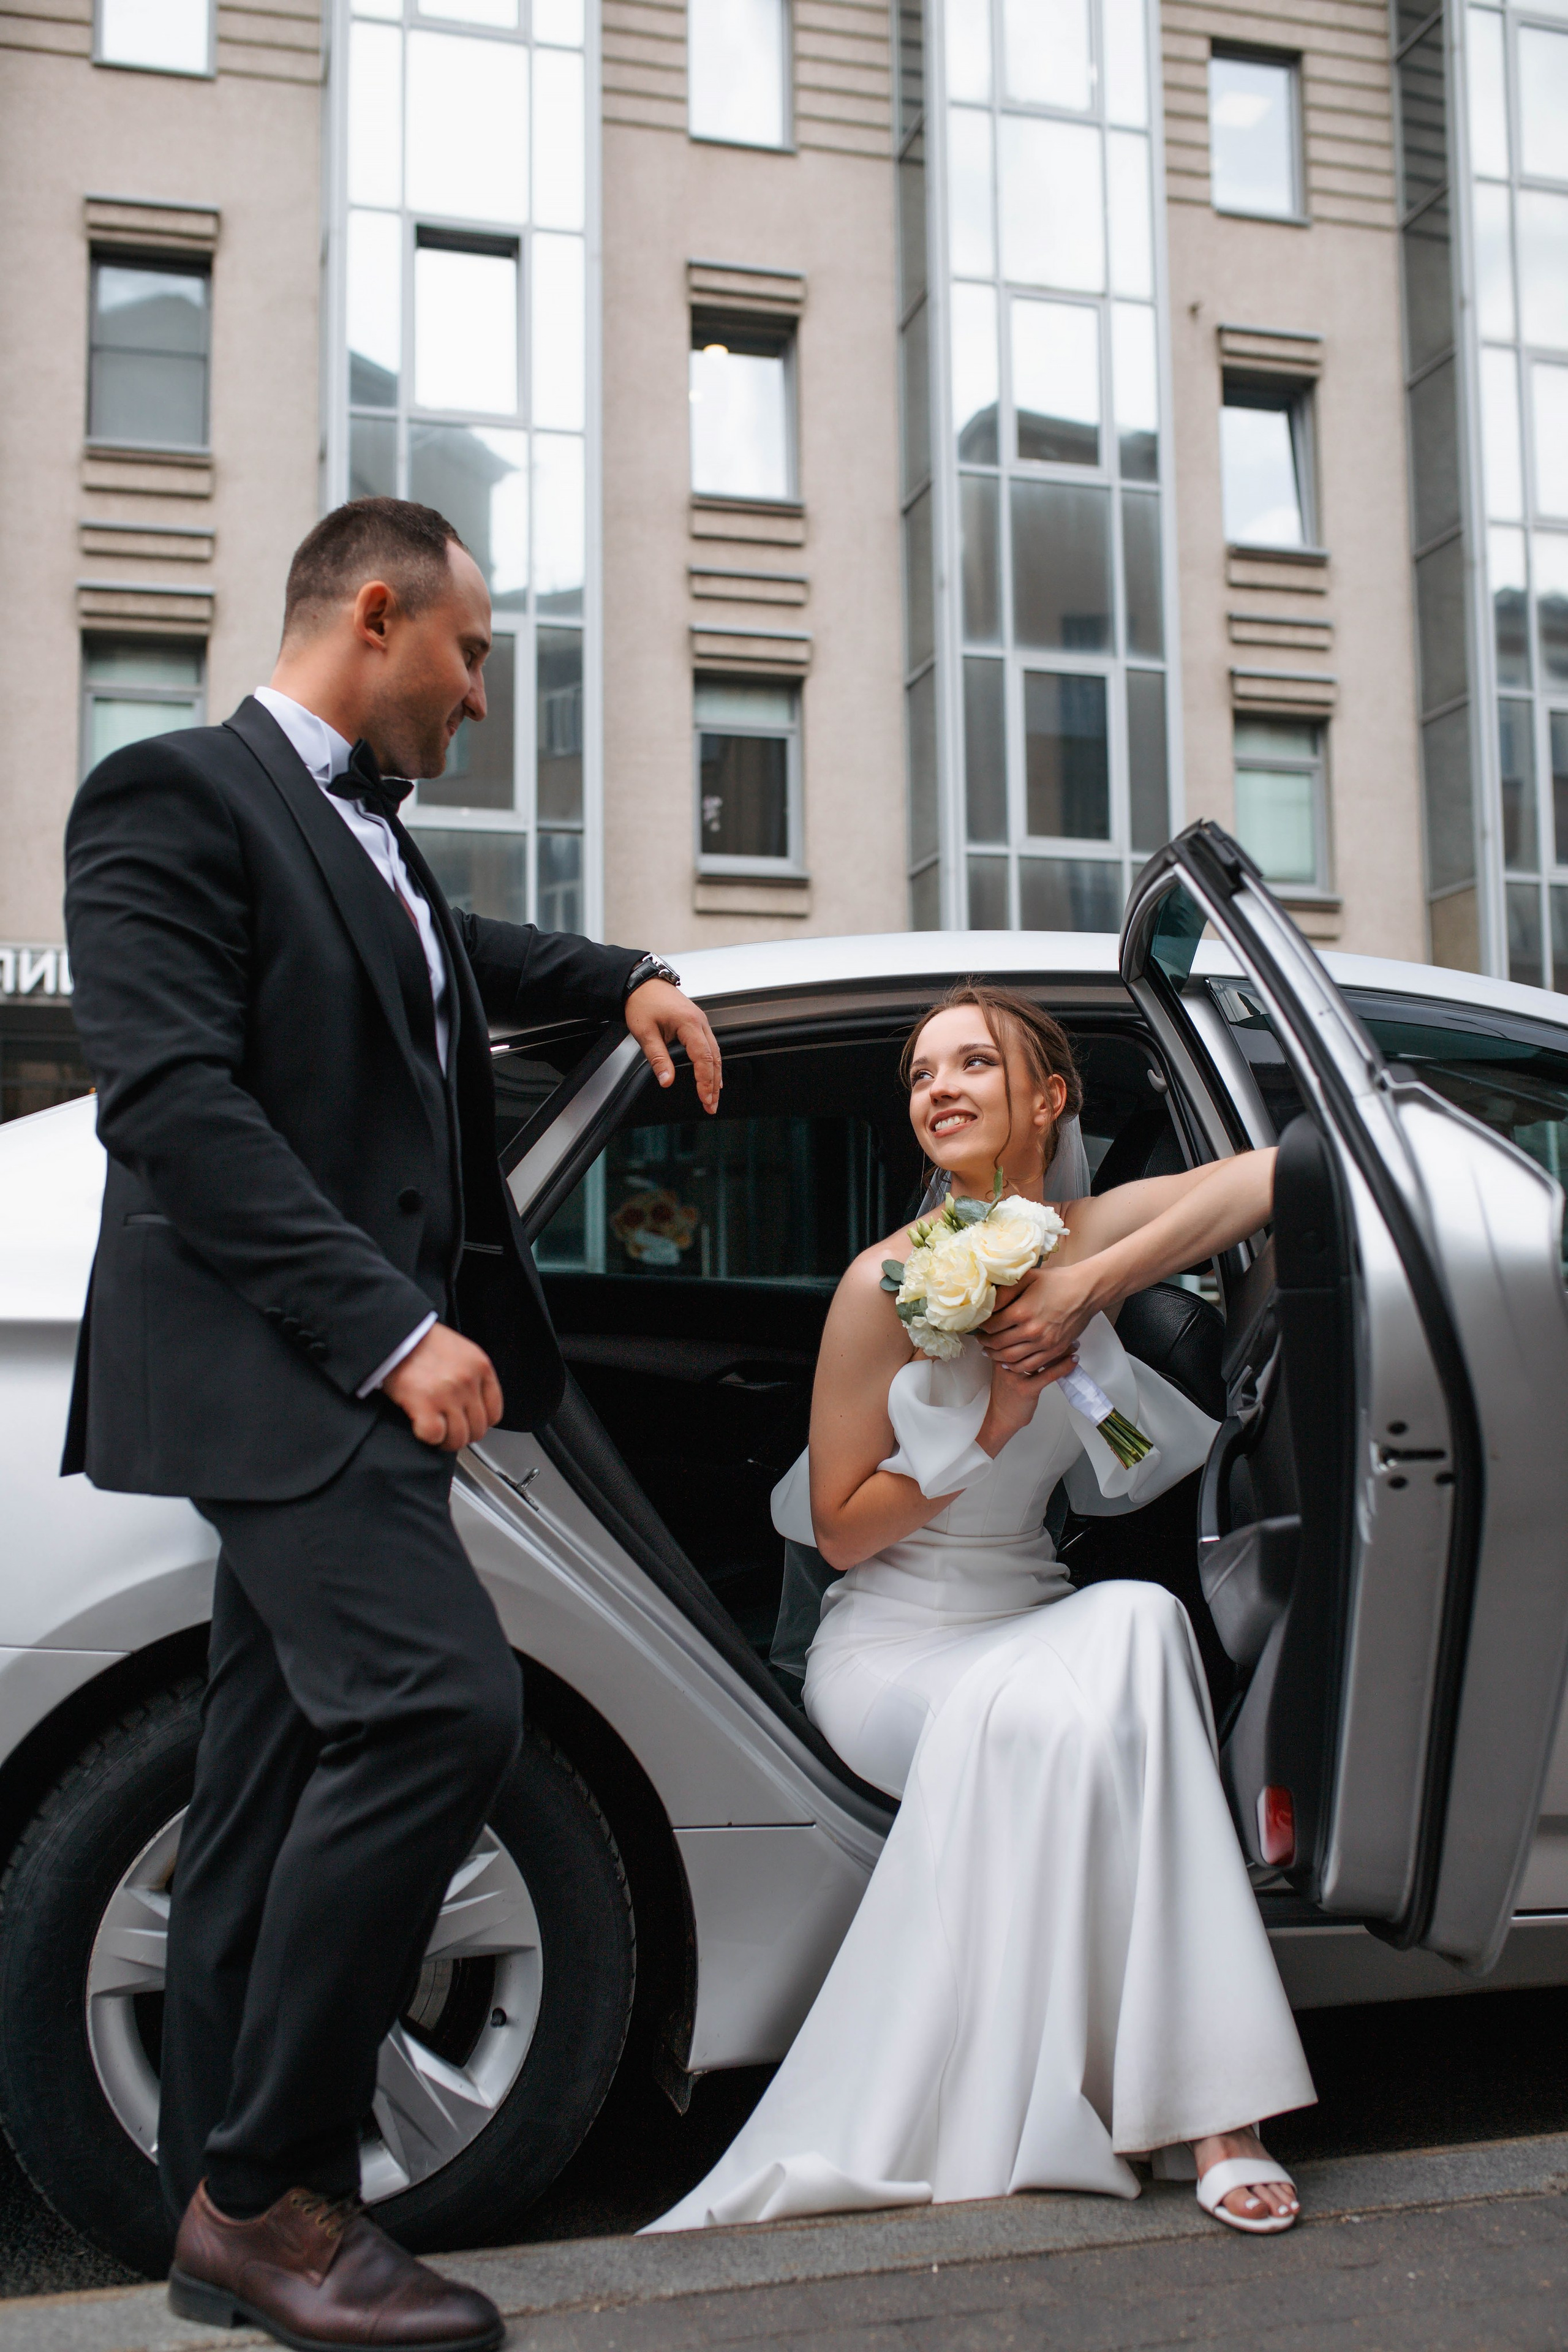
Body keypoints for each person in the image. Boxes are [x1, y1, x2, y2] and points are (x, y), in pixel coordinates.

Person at [61, 497, 722, 2352]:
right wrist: (393, 1331)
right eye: (475, 651)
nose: (483, 694)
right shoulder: (170, 795)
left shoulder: (377, 845)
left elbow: (463, 956)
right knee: (441, 1708)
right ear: (376, 612)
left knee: (261, 1798)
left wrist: (624, 976)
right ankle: (269, 2197)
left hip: (323, 1381)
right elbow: (171, 1104)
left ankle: (212, 2219)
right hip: (285, 1372)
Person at [647, 982, 1314, 2239]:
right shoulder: (883, 1283)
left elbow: (1278, 1174)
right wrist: (994, 1425)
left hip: (1032, 1611)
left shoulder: (1083, 1235)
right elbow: (841, 1527)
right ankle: (1214, 2118)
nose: (938, 1089)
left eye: (972, 1064)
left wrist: (1090, 1283)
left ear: (1047, 1098)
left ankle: (1209, 2108)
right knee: (1090, 1699)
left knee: (1137, 1622)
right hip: (895, 1647)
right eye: (920, 1074)